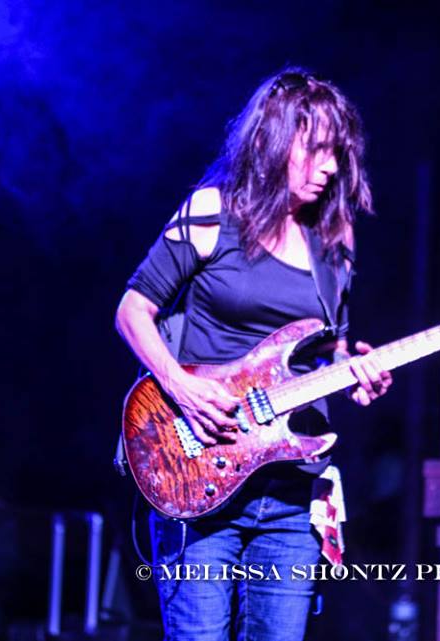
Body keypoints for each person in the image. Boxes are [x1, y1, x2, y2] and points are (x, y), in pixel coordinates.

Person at [115, 68, 391, 641]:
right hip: (197, 471)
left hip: (291, 489)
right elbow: (132, 310)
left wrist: (354, 371)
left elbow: (328, 348)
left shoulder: (334, 239)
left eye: (337, 153)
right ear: (272, 140)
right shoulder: (212, 212)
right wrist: (183, 387)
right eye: (315, 150)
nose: (330, 167)